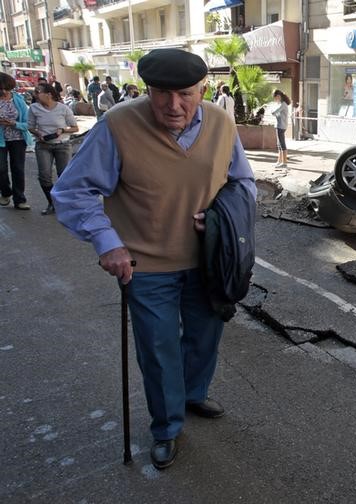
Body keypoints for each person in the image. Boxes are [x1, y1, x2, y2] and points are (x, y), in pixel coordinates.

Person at [51, 48, 257, 470]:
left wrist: (221, 219)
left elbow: (244, 184)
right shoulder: (119, 124)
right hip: (144, 266)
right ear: (148, 90)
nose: (173, 105)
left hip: (207, 261)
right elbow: (73, 191)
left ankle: (193, 393)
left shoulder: (220, 122)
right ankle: (166, 426)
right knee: (159, 349)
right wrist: (108, 242)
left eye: (185, 94)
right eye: (162, 94)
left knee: (205, 338)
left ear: (202, 89)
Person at [28, 83, 78, 215]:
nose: (36, 94)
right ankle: (52, 203)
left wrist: (62, 130)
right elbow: (30, 126)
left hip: (62, 145)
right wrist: (38, 134)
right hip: (43, 145)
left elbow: (75, 127)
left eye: (38, 92)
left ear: (49, 94)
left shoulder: (63, 108)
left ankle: (65, 203)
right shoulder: (33, 108)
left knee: (64, 175)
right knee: (44, 176)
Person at [0, 72, 34, 210]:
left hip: (18, 139)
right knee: (1, 168)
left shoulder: (18, 100)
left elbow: (28, 124)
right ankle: (6, 192)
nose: (3, 91)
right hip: (1, 140)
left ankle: (19, 199)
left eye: (6, 88)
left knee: (18, 169)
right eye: (0, 89)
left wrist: (14, 124)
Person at [271, 89, 290, 168]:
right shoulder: (281, 104)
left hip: (281, 126)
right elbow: (277, 114)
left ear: (278, 96)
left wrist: (273, 111)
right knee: (279, 144)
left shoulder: (283, 104)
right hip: (279, 125)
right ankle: (279, 161)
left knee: (282, 144)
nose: (275, 99)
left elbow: (275, 112)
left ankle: (284, 162)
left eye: (275, 98)